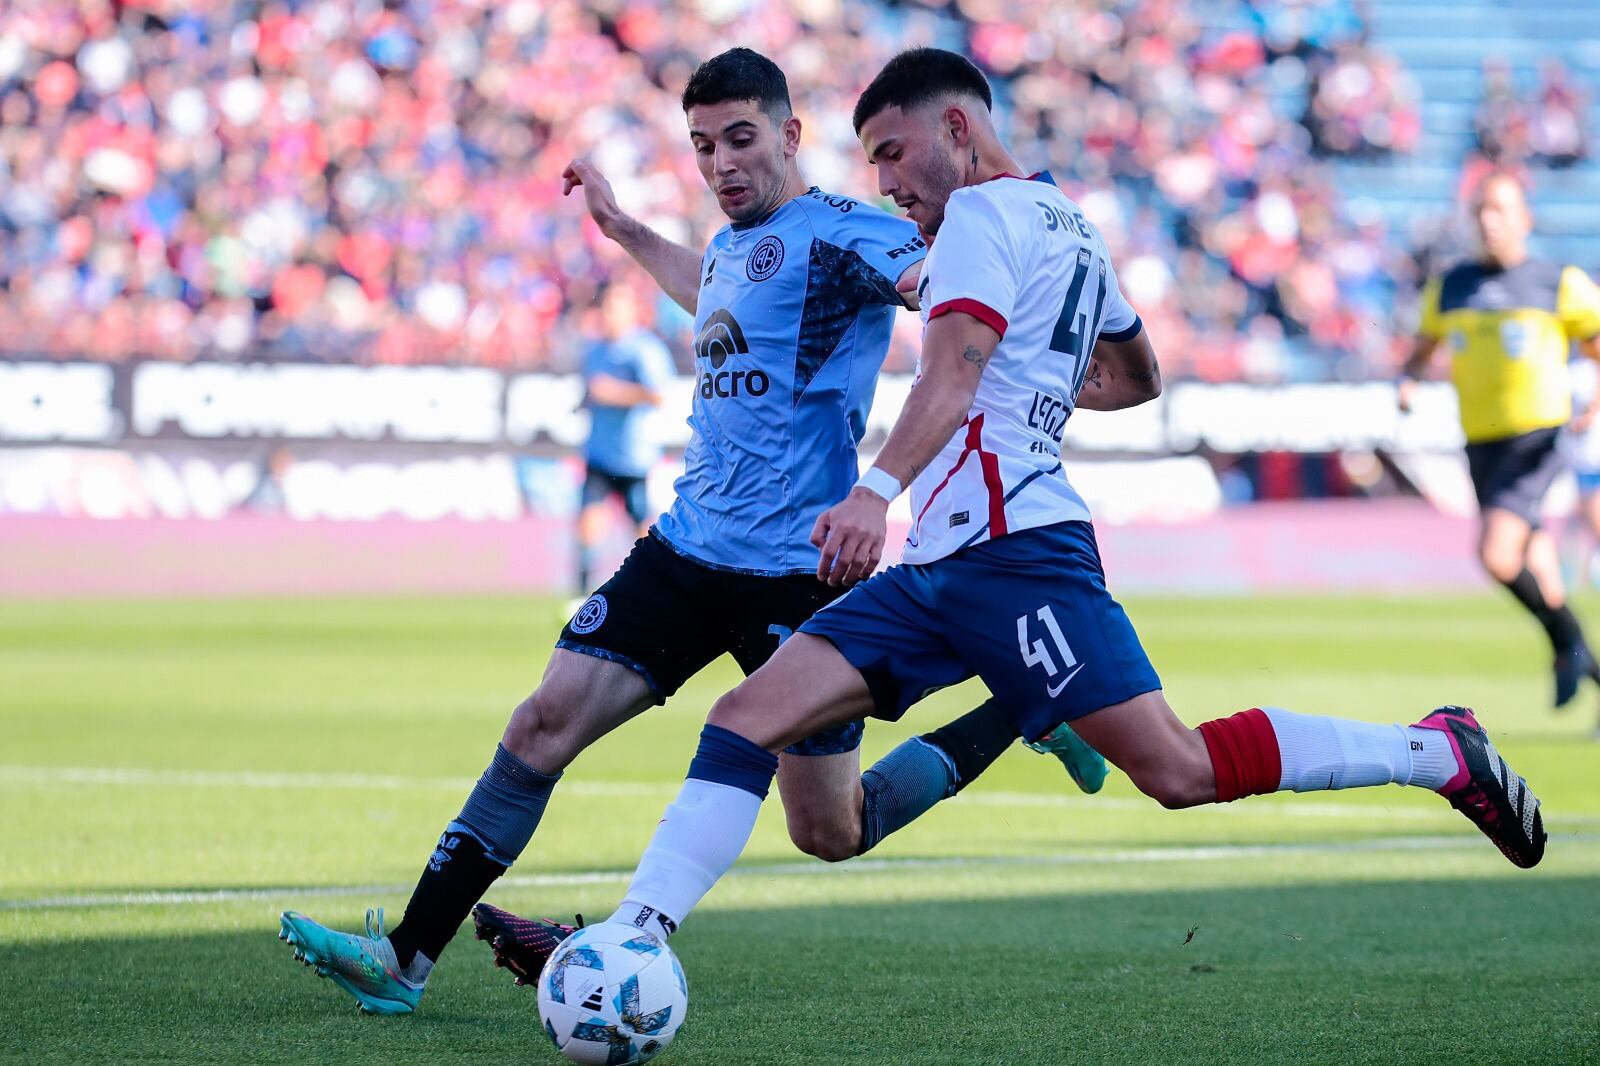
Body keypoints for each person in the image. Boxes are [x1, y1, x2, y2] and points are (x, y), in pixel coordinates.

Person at [570, 48, 1546, 973]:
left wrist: (876, 488)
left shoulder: (983, 221)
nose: (886, 185)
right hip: (943, 567)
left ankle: (1434, 750)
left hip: (1018, 555)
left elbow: (954, 367)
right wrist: (1027, 380)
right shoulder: (1068, 224)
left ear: (957, 127)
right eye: (872, 165)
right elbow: (1135, 373)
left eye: (893, 154)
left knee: (1177, 768)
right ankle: (635, 938)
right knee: (749, 714)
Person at [277, 47, 1103, 1015]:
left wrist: (1027, 341)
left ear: (790, 135)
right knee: (539, 724)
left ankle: (1018, 702)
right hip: (681, 553)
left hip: (800, 576)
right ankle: (405, 961)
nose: (721, 164)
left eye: (741, 139)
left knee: (831, 831)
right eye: (704, 145)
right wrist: (625, 229)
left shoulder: (850, 235)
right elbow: (713, 287)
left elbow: (950, 292)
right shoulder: (728, 245)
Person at [1399, 171, 1600, 707]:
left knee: (1495, 553)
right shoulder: (1452, 285)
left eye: (1501, 210)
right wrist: (1408, 379)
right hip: (1480, 444)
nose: (1489, 221)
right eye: (1481, 211)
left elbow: (1595, 340)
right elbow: (1425, 344)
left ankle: (1565, 642)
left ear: (1524, 219)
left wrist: (1594, 400)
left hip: (1536, 439)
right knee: (1539, 572)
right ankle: (1583, 667)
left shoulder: (1558, 282)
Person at [575, 284, 675, 594]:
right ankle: (582, 593)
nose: (609, 314)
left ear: (632, 312)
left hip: (633, 456)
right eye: (606, 307)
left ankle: (655, 583)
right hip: (599, 453)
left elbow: (658, 395)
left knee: (640, 527)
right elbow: (593, 390)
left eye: (616, 307)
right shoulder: (594, 350)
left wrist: (614, 393)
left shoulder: (643, 349)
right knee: (588, 523)